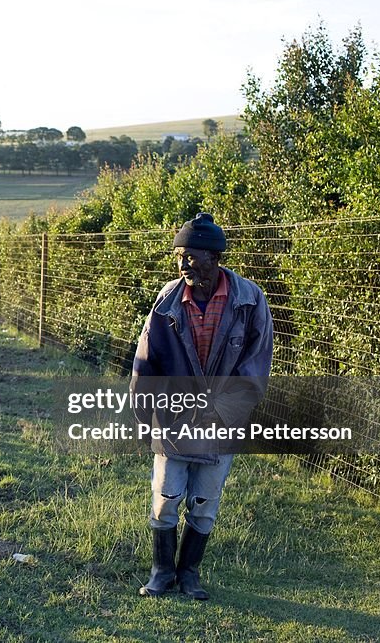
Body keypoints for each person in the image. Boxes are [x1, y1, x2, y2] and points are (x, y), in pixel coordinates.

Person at [131, 212, 273, 600]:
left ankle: (189, 573)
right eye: (178, 257)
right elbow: (146, 362)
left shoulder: (249, 300)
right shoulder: (168, 299)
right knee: (165, 498)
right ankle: (161, 572)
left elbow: (256, 366)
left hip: (220, 424)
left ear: (214, 258)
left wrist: (223, 411)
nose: (183, 265)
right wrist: (144, 417)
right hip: (173, 418)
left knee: (205, 503)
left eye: (191, 257)